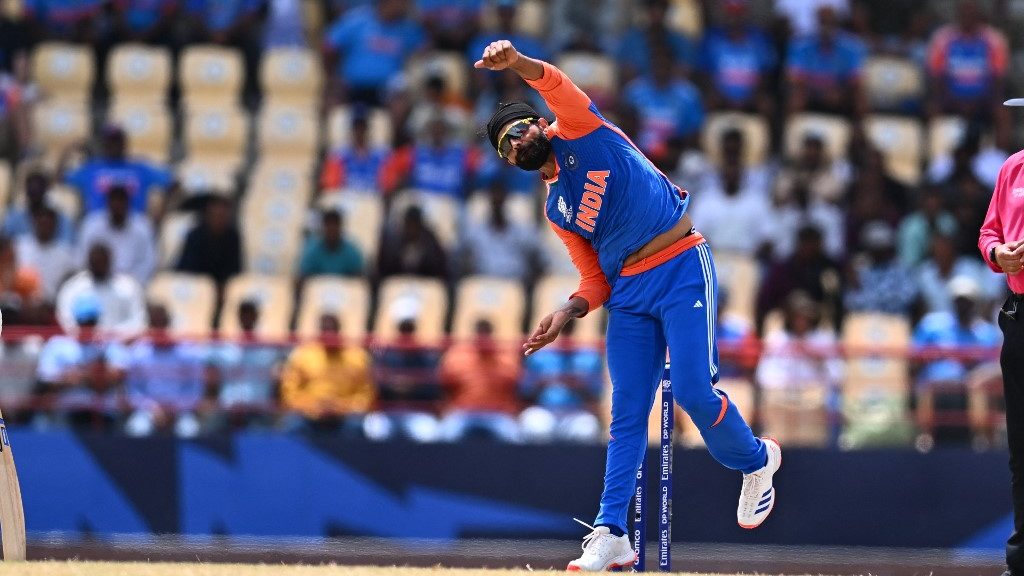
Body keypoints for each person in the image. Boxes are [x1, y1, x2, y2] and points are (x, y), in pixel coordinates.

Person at [475, 40, 780, 570]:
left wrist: (516, 63)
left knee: (693, 392)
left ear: (540, 124)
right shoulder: (557, 208)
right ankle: (611, 531)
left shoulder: (578, 127)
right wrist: (567, 310)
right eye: (506, 146)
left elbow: (552, 82)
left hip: (681, 264)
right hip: (630, 295)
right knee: (627, 412)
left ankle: (757, 460)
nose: (516, 143)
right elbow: (595, 278)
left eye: (519, 130)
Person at [977, 96, 1024, 576]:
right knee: (1021, 448)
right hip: (1020, 314)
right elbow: (988, 233)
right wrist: (1000, 256)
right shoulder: (1014, 168)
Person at [279, 313, 375, 436]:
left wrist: (340, 407)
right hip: (309, 415)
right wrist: (314, 406)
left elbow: (366, 394)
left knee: (356, 427)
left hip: (344, 416)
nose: (329, 335)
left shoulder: (358, 357)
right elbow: (290, 392)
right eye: (325, 330)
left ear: (339, 330)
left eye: (332, 330)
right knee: (292, 425)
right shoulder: (303, 355)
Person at [55, 242, 148, 340]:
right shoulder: (73, 288)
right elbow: (65, 319)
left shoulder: (128, 287)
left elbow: (139, 321)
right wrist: (87, 335)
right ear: (88, 262)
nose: (99, 266)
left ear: (110, 261)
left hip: (121, 344)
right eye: (95, 262)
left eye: (102, 262)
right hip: (80, 343)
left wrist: (112, 334)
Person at [77, 184, 157, 286]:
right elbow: (82, 259)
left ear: (128, 204)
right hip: (95, 283)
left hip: (133, 285)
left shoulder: (143, 227)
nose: (117, 205)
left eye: (121, 201)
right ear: (107, 203)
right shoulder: (91, 225)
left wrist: (130, 284)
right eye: (114, 201)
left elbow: (148, 263)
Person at [299, 209, 364, 279]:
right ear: (323, 228)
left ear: (340, 228)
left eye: (335, 228)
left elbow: (359, 278)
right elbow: (303, 276)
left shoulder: (352, 251)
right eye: (329, 228)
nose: (332, 232)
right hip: (319, 285)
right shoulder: (312, 250)